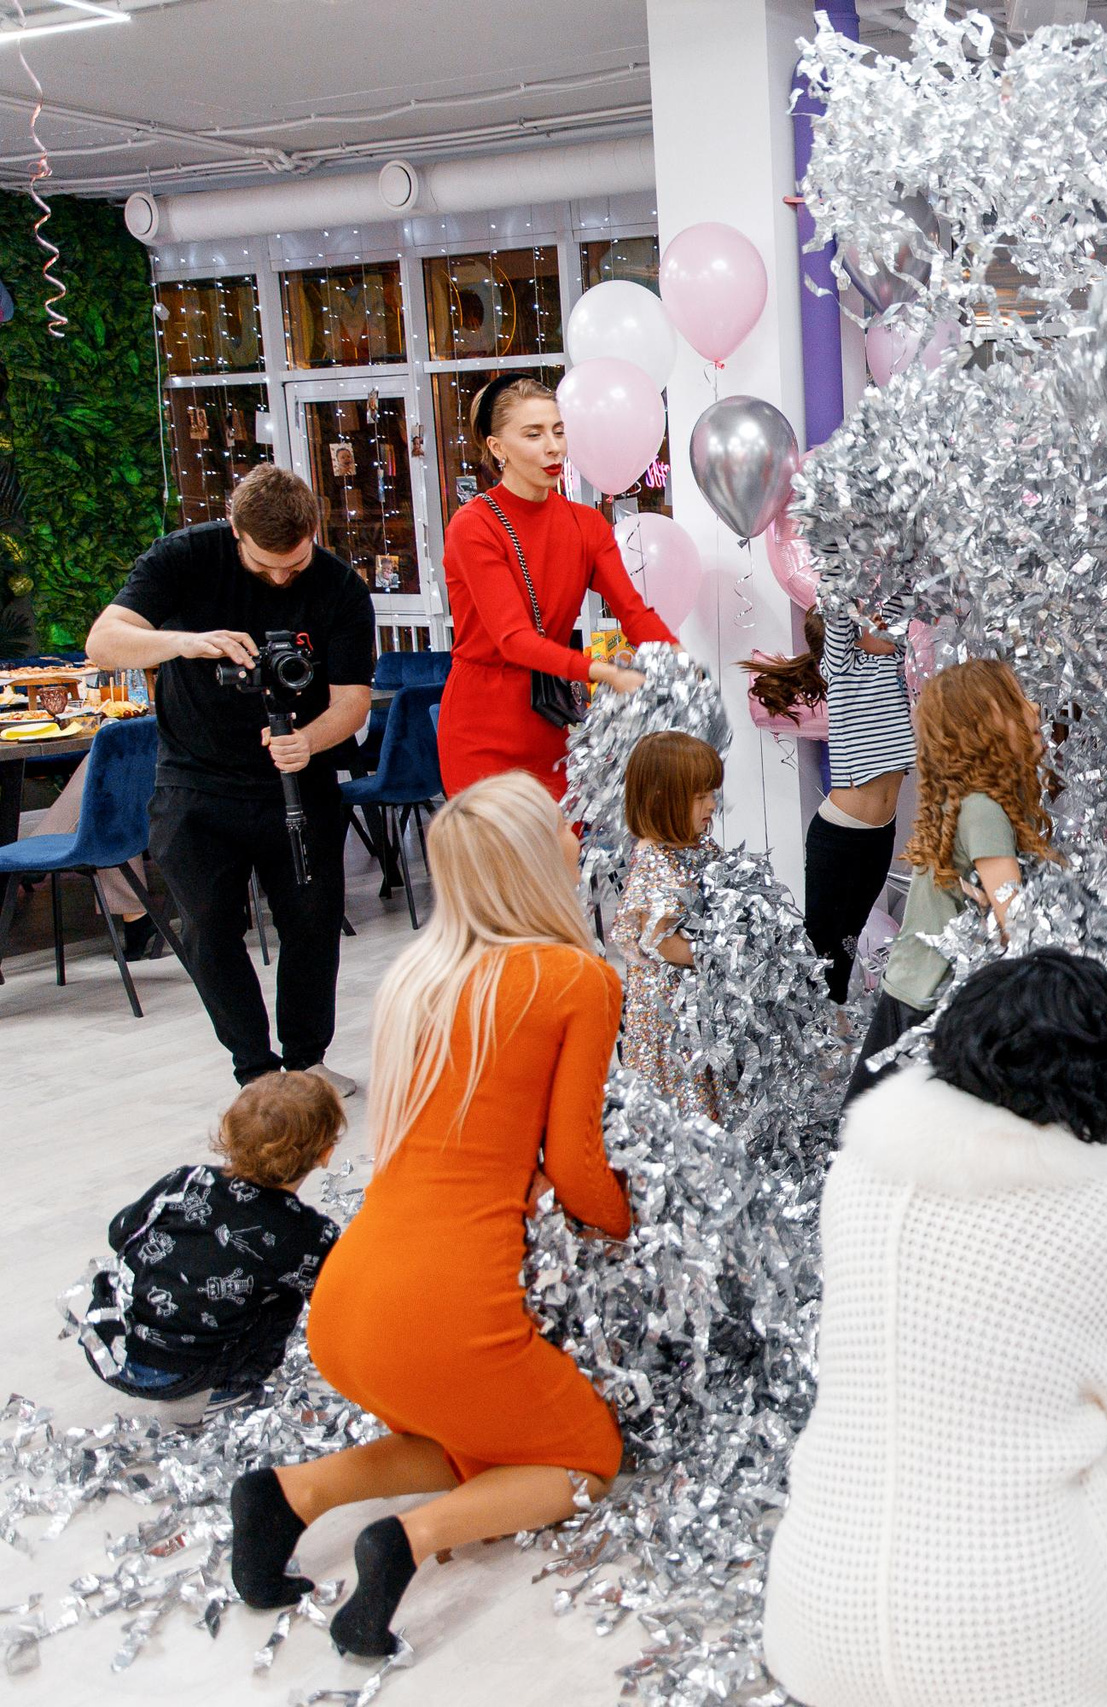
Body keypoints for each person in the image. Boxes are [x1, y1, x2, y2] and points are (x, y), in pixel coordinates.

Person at [227, 772, 633, 1656]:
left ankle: (290, 1494)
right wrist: (631, 1234)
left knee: (476, 1437)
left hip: (346, 1307)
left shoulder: (417, 976)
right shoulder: (579, 977)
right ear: (532, 858)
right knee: (588, 1459)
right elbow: (574, 1167)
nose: (575, 830)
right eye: (557, 823)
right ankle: (404, 1541)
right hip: (447, 1311)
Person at [762, 950, 1107, 1707]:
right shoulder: (1101, 1212)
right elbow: (1097, 1406)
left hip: (812, 1620)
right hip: (1016, 1643)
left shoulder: (854, 1173)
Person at [84, 465, 375, 1091]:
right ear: (234, 530)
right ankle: (255, 1072)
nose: (279, 577)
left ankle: (305, 1060)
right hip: (196, 780)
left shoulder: (339, 587)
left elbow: (352, 698)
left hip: (300, 779)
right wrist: (185, 643)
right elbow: (104, 642)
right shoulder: (185, 556)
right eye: (264, 563)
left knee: (310, 919)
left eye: (292, 565)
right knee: (209, 923)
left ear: (314, 532)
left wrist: (309, 741)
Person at [436, 376, 679, 799]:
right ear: (497, 448)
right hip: (483, 728)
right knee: (501, 861)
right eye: (533, 434)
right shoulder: (474, 526)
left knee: (564, 857)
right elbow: (513, 640)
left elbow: (633, 612)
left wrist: (674, 658)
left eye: (558, 430)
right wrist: (602, 672)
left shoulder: (586, 523)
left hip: (550, 725)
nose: (553, 446)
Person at [79, 1070, 343, 1415]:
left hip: (103, 1345)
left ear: (230, 1136)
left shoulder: (186, 1179)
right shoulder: (306, 1235)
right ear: (325, 1153)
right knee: (284, 1298)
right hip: (174, 1375)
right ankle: (231, 1390)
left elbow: (120, 1232)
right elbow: (335, 1298)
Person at [849, 658, 1056, 1096]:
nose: (1035, 708)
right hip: (925, 1004)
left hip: (917, 991)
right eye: (1014, 701)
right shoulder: (982, 807)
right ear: (982, 727)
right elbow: (1014, 919)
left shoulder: (977, 797)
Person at [742, 601, 916, 1003]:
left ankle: (832, 1027)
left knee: (849, 941)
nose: (885, 625)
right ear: (852, 635)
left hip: (877, 835)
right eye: (875, 621)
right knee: (822, 951)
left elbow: (905, 601)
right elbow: (837, 595)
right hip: (839, 836)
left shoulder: (893, 664)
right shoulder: (843, 665)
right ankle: (808, 1037)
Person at [608, 731, 724, 1121]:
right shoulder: (654, 864)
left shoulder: (693, 844)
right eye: (699, 798)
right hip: (672, 1021)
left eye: (711, 793)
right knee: (687, 1104)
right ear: (662, 801)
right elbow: (666, 945)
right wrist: (726, 956)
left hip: (699, 1006)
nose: (712, 804)